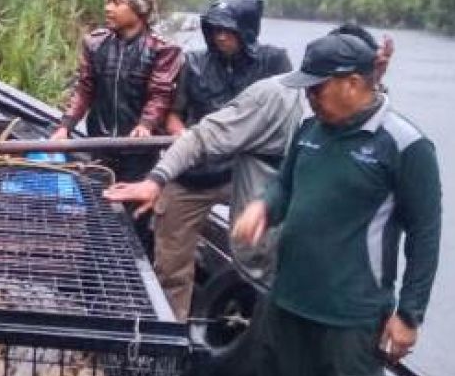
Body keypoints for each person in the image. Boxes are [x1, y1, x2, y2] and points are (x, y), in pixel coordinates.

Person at [232, 32, 442, 376]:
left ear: (354, 83)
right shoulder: (310, 130)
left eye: (318, 89)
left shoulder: (403, 144)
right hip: (292, 293)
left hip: (352, 307)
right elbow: (286, 186)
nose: (309, 98)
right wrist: (264, 207)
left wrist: (409, 313)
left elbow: (425, 233)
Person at [106, 24, 393, 287]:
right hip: (267, 247)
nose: (314, 98)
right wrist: (156, 179)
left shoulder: (373, 116)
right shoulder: (274, 96)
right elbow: (202, 136)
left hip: (325, 260)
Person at [152, 0, 291, 320]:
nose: (221, 37)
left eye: (228, 30)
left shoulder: (274, 63)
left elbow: (300, 106)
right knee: (170, 264)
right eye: (215, 29)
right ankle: (173, 329)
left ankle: (254, 323)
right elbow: (174, 113)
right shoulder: (195, 63)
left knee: (263, 247)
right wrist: (182, 136)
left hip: (242, 173)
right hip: (194, 172)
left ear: (247, 32)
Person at [51, 0, 182, 181]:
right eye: (108, 1)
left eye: (116, 2)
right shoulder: (95, 43)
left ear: (139, 8)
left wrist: (146, 124)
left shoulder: (162, 49)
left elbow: (160, 94)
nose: (108, 8)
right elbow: (84, 89)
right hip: (99, 143)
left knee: (133, 208)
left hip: (139, 150)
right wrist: (64, 127)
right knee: (96, 201)